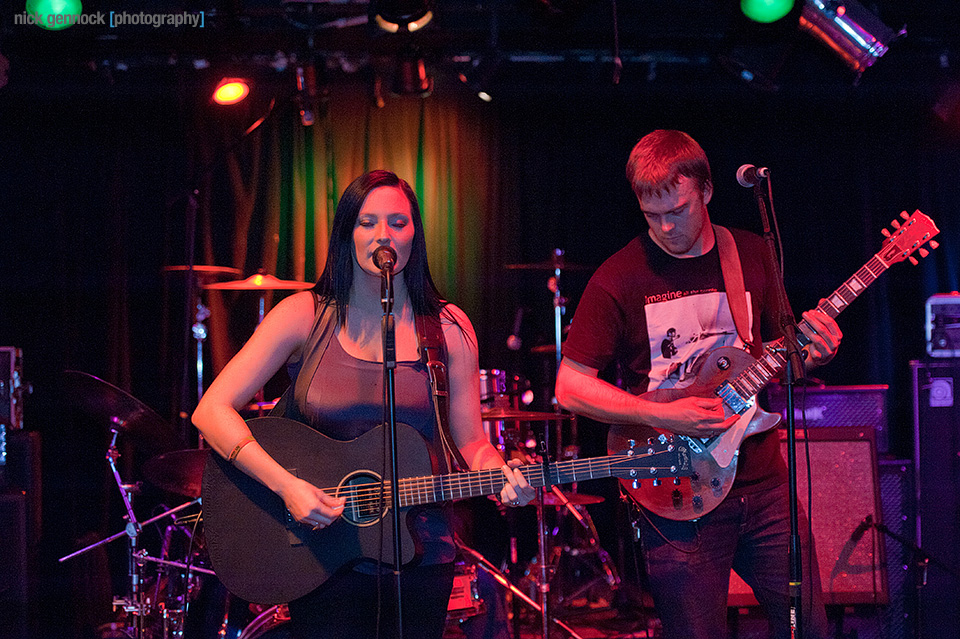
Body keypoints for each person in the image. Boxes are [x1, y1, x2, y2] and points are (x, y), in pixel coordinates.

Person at [192, 170, 537, 639]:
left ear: (415, 234)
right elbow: (211, 410)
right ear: (346, 234)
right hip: (322, 552)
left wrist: (501, 477)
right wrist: (287, 487)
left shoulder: (450, 327)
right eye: (367, 221)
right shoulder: (304, 314)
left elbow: (472, 440)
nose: (383, 234)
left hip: (422, 549)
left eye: (398, 222)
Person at [554, 130, 842, 639]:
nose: (666, 227)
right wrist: (660, 414)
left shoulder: (752, 254)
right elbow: (570, 388)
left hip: (765, 484)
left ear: (707, 191)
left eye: (678, 210)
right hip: (677, 492)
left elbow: (784, 355)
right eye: (651, 215)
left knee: (810, 627)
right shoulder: (619, 276)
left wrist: (816, 354)